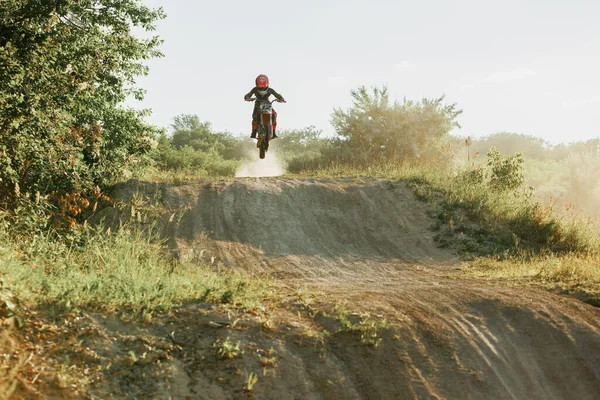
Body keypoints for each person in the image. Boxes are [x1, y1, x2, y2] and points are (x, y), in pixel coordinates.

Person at [244, 74, 286, 139]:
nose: (262, 89)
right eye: (260, 88)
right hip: (258, 103)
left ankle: (274, 132)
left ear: (267, 84)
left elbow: (276, 94)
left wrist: (281, 99)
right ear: (257, 84)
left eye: (263, 87)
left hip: (267, 103)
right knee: (255, 117)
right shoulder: (255, 89)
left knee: (274, 114)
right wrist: (247, 97)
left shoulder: (270, 90)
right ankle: (254, 132)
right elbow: (249, 94)